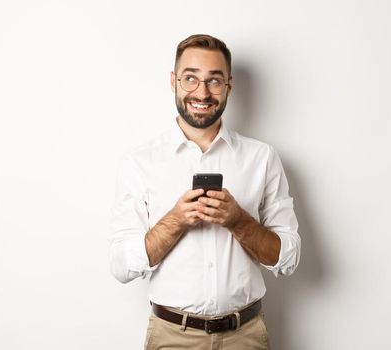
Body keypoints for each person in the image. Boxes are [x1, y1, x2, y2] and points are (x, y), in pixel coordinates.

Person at [108, 34, 301, 350]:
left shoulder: (262, 158)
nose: (202, 92)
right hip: (172, 337)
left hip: (246, 336)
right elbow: (121, 265)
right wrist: (176, 221)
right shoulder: (139, 162)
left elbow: (289, 258)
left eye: (214, 81)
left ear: (229, 85)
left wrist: (238, 220)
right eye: (190, 78)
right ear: (174, 81)